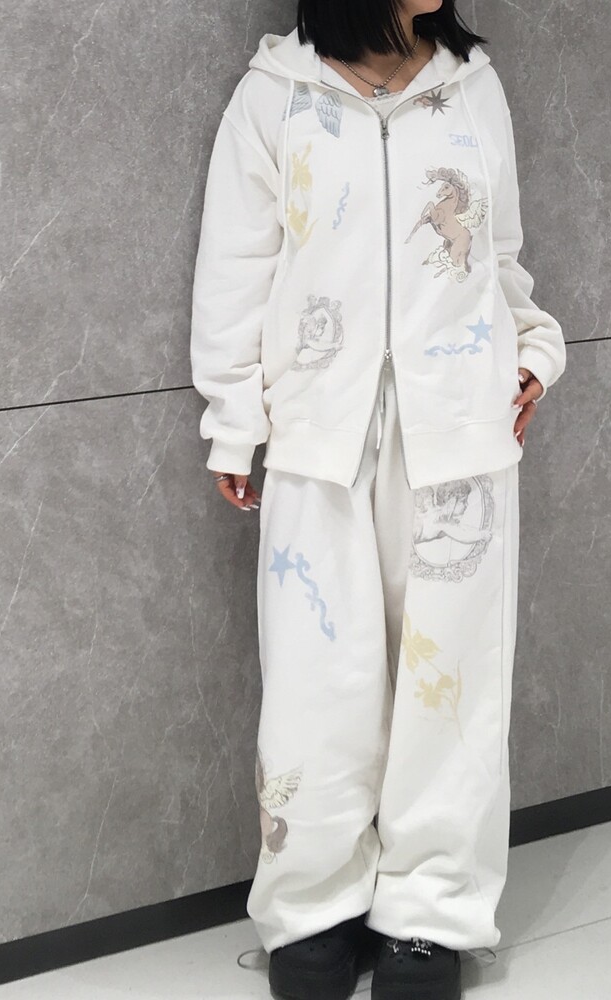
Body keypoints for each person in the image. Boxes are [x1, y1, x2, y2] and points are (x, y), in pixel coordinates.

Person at [189, 2, 566, 997]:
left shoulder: (471, 87)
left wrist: (532, 349)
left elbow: (499, 256)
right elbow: (235, 269)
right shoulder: (274, 96)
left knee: (452, 688)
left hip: (459, 436)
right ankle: (314, 907)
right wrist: (234, 419)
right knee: (317, 684)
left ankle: (428, 917)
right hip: (319, 436)